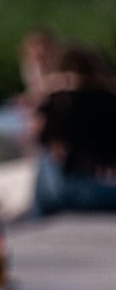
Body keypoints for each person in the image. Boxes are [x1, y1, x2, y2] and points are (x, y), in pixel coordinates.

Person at [33, 43, 116, 215]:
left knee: (44, 158)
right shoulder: (108, 99)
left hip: (71, 192)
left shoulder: (61, 103)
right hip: (104, 189)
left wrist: (53, 85)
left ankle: (38, 218)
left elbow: (45, 140)